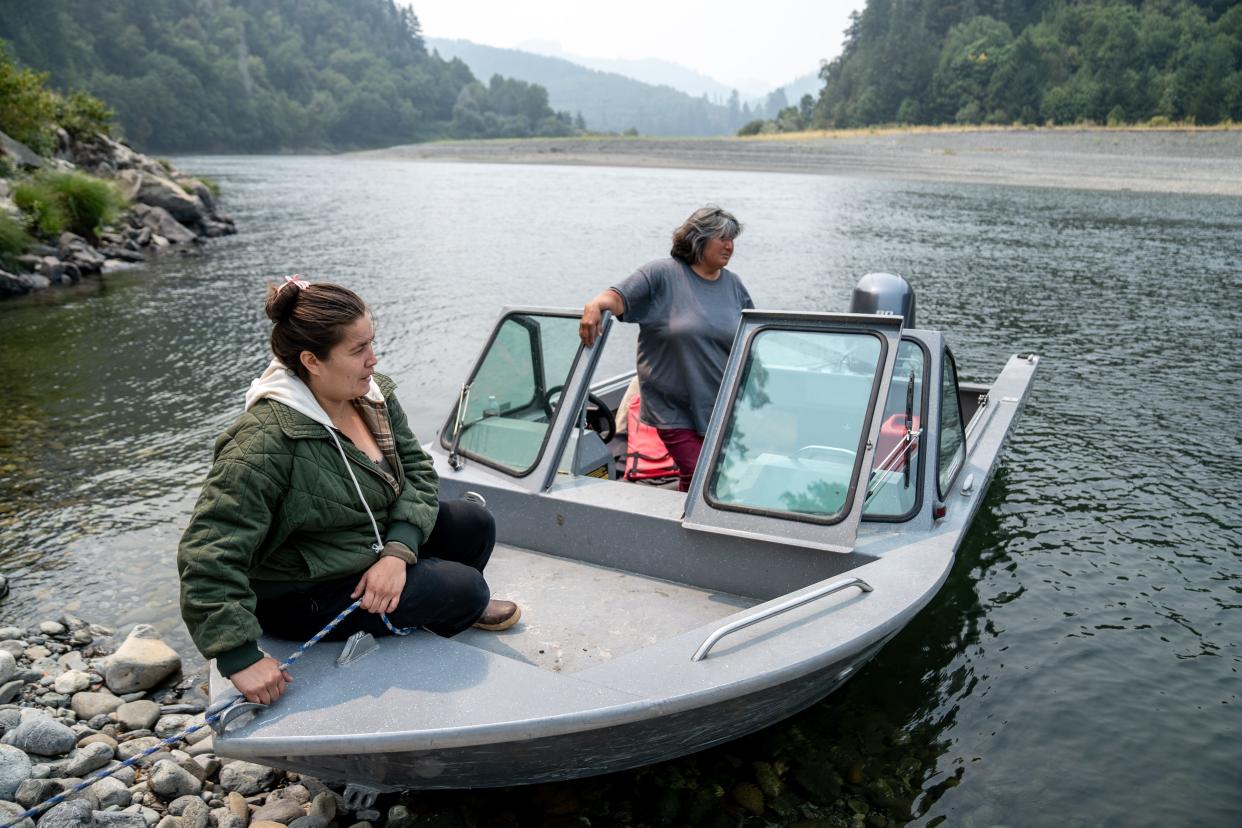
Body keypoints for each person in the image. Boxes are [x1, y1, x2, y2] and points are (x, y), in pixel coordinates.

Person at [177, 277, 519, 705]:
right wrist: (238, 656)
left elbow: (417, 469)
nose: (373, 360)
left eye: (371, 344)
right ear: (311, 361)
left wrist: (397, 553)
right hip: (306, 592)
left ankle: (424, 602)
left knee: (475, 524)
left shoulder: (371, 395)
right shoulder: (261, 445)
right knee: (466, 589)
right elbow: (207, 553)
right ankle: (440, 603)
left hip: (365, 541)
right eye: (358, 351)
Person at [579, 206, 753, 491]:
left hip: (719, 404)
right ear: (699, 240)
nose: (730, 245)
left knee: (703, 479)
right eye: (722, 238)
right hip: (672, 408)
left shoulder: (734, 285)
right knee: (704, 478)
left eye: (732, 239)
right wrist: (595, 305)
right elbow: (617, 298)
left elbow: (750, 338)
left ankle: (681, 530)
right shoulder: (661, 274)